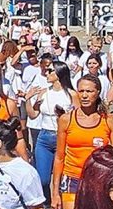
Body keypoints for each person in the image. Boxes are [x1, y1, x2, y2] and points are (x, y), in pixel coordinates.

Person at [51, 74, 113, 209]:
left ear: (98, 93)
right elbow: (59, 157)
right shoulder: (66, 119)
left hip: (99, 178)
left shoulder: (108, 120)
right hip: (72, 177)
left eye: (89, 91)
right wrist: (55, 193)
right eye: (81, 91)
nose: (84, 95)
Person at [25, 63, 78, 198]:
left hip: (63, 136)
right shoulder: (44, 92)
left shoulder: (71, 94)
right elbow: (33, 115)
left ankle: (60, 206)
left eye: (50, 71)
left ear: (59, 73)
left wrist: (64, 116)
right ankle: (47, 201)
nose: (46, 73)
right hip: (44, 136)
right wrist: (27, 100)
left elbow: (78, 117)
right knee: (43, 179)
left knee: (61, 177)